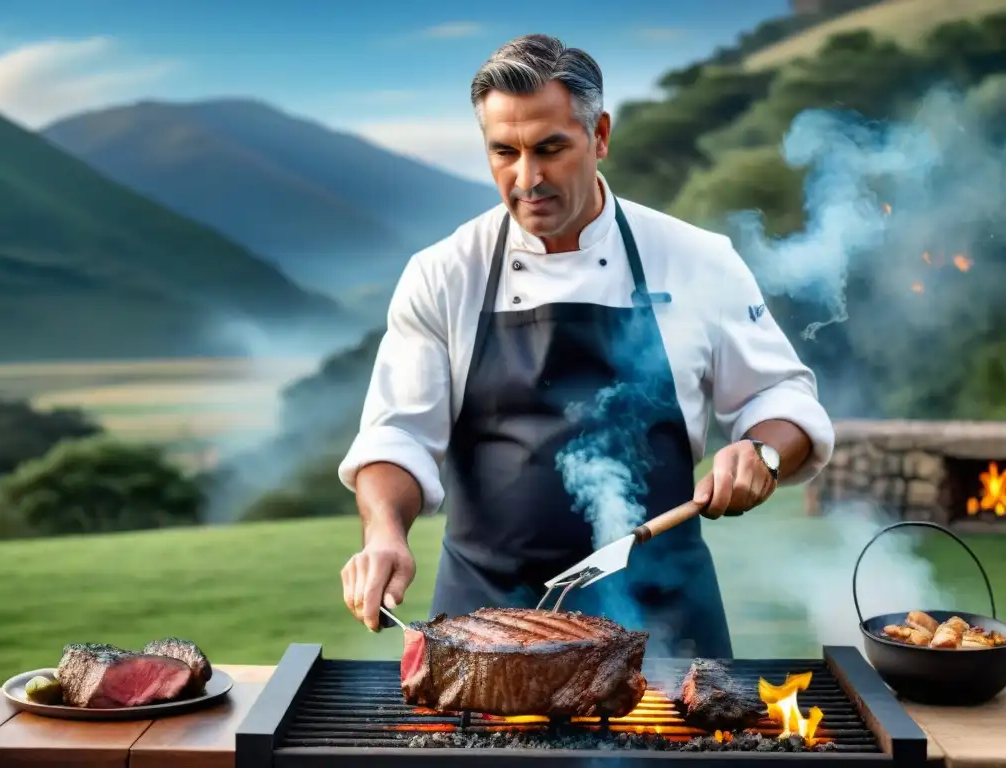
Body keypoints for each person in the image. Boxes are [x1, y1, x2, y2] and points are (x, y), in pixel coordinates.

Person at [337, 34, 834, 658]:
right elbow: (399, 434)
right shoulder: (444, 273)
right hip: (486, 618)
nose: (527, 178)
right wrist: (384, 532)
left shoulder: (696, 260)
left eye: (550, 148)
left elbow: (779, 394)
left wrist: (762, 449)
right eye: (504, 152)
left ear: (598, 136)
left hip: (663, 618)